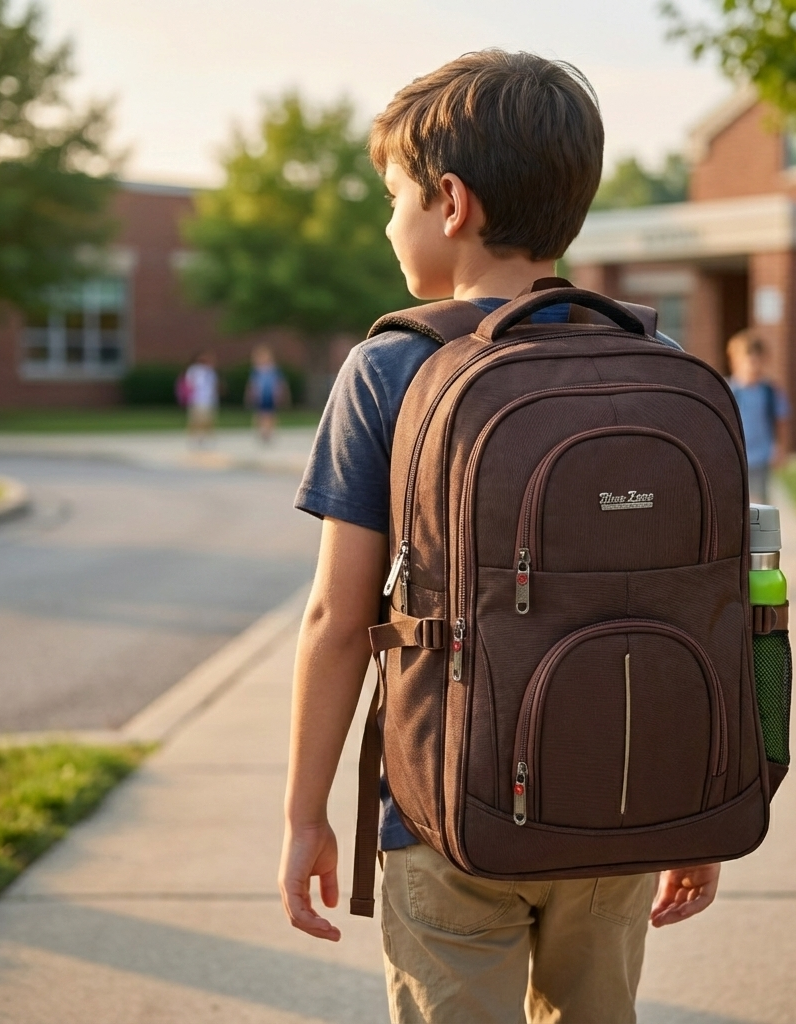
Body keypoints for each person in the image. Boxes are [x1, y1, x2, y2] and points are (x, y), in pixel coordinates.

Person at [278, 50, 721, 1024]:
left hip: (445, 816)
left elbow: (334, 618)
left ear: (448, 201)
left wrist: (306, 812)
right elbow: (695, 600)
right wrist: (695, 801)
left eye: (390, 198)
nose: (387, 222)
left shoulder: (392, 364)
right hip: (617, 799)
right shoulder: (656, 362)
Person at [726, 331, 790, 504]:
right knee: (735, 501)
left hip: (761, 455)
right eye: (748, 360)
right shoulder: (728, 391)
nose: (753, 365)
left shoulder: (770, 391)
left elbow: (781, 420)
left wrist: (780, 448)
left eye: (757, 360)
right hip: (735, 456)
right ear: (735, 361)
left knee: (759, 503)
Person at [245, 345, 289, 443]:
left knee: (270, 414)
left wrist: (279, 393)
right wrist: (251, 394)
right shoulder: (256, 371)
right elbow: (253, 384)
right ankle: (261, 431)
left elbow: (278, 383)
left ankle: (269, 431)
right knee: (260, 414)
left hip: (270, 395)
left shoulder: (273, 370)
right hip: (260, 396)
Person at [181, 350, 219, 445]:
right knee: (195, 420)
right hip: (196, 398)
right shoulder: (194, 370)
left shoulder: (211, 371)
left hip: (209, 399)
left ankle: (206, 437)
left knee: (208, 420)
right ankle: (193, 437)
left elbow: (213, 385)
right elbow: (189, 383)